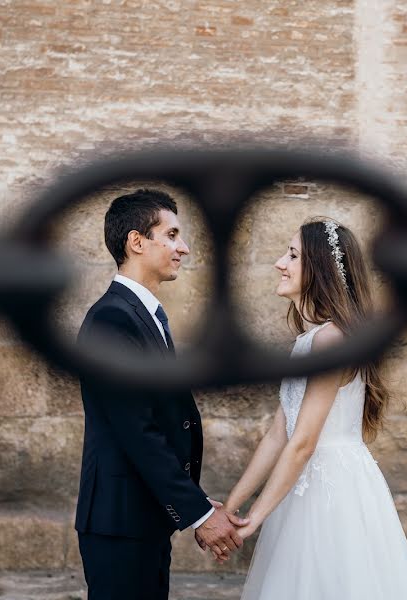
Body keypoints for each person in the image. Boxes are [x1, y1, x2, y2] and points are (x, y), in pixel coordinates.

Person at [223, 218, 407, 599]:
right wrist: (231, 508)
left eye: (293, 255)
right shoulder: (310, 340)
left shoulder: (332, 340)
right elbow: (278, 434)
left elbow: (304, 441)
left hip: (333, 491)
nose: (280, 263)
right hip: (300, 486)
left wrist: (255, 520)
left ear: (320, 269)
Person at [74, 189, 247, 600]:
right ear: (137, 242)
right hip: (119, 522)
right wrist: (200, 513)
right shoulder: (112, 320)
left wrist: (193, 498)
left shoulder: (143, 315)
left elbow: (160, 420)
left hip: (142, 518)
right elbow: (138, 430)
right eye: (171, 235)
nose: (183, 248)